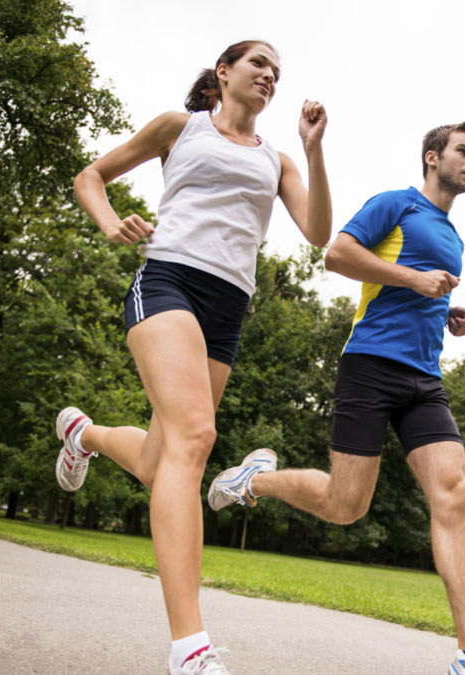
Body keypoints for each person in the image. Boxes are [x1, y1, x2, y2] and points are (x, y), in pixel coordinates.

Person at [55, 40, 331, 675]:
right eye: (258, 62)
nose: (269, 74)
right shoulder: (180, 129)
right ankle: (190, 649)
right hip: (170, 281)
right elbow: (89, 176)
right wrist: (107, 222)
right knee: (196, 437)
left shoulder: (278, 158)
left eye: (278, 71)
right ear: (224, 72)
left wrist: (313, 151)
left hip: (228, 309)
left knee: (162, 463)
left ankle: (84, 434)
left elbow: (317, 232)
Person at [208, 122, 465, 675]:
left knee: (454, 495)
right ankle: (251, 481)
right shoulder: (394, 204)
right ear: (432, 157)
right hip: (370, 367)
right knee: (345, 506)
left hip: (425, 379)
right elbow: (337, 255)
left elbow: (414, 291)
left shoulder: (454, 235)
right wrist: (411, 280)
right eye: (464, 151)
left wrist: (445, 314)